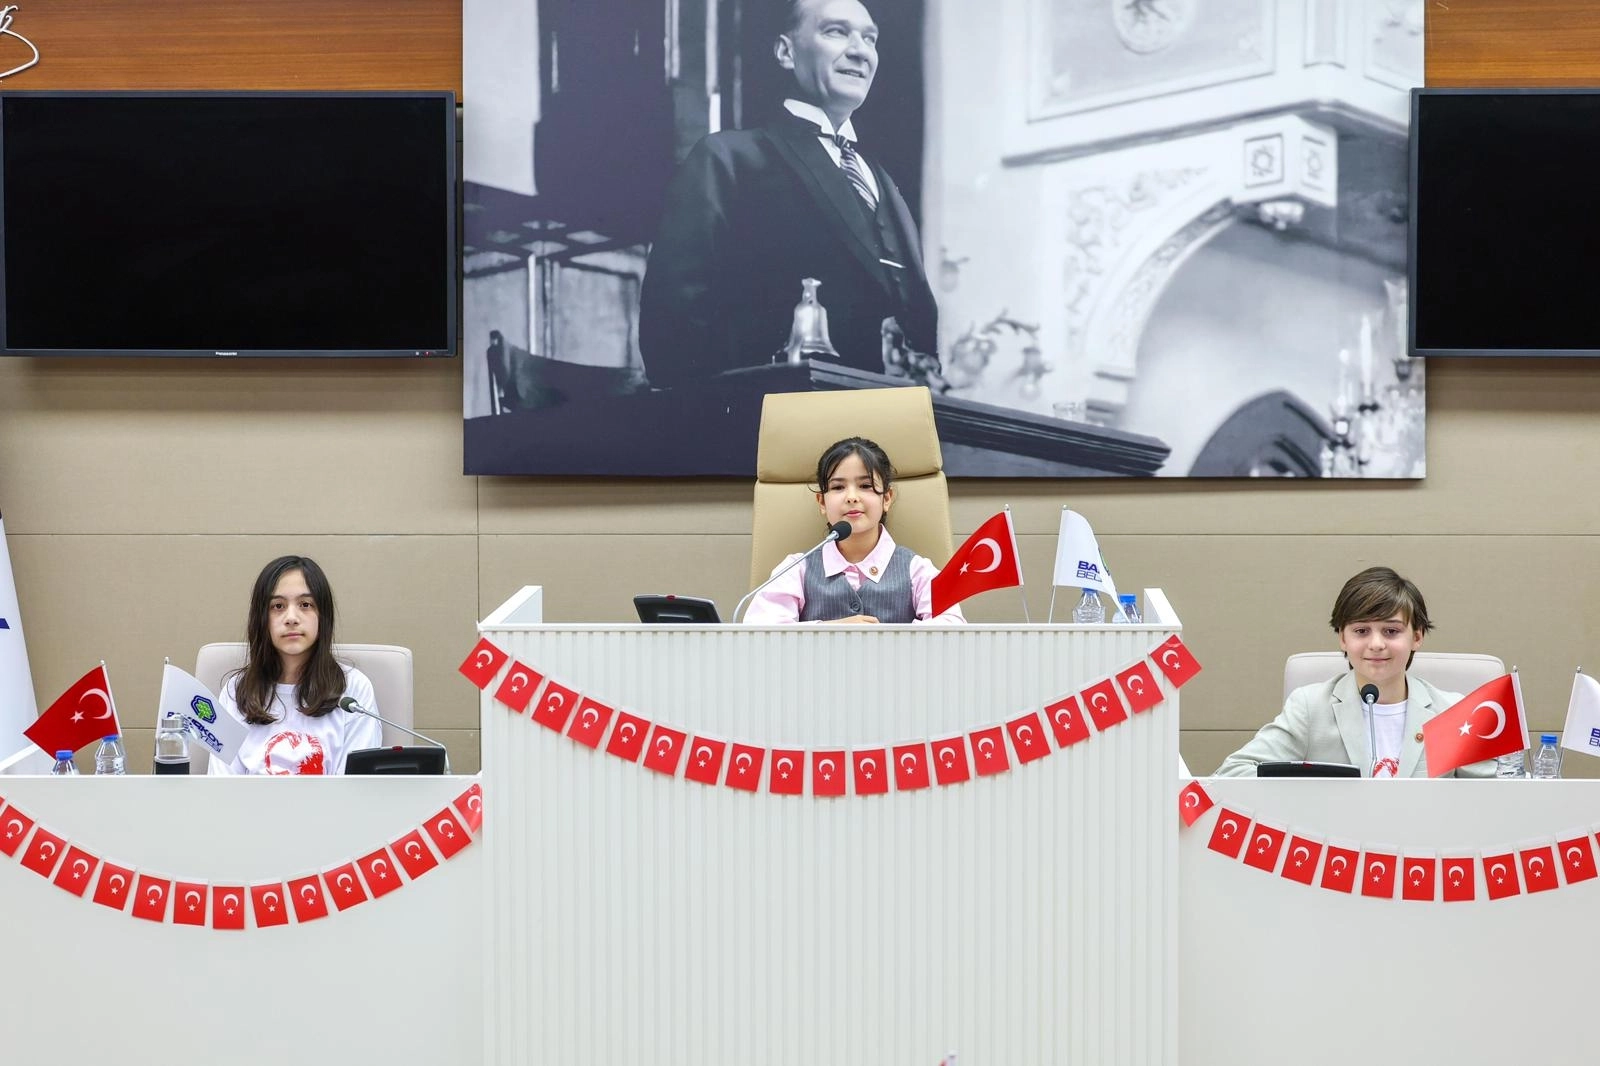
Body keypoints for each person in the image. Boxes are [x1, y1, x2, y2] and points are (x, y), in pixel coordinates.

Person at [637, 0, 938, 388]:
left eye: (870, 38)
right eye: (836, 31)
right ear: (785, 52)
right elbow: (673, 328)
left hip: (884, 417)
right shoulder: (730, 158)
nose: (860, 51)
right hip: (769, 414)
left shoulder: (882, 181)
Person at [1215, 566, 1493, 778]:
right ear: (1343, 639)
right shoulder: (1310, 708)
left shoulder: (1454, 713)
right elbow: (1232, 773)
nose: (1376, 644)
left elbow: (1494, 796)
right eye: (1361, 631)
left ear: (1417, 637)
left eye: (1391, 631)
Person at [743, 436, 963, 624]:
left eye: (865, 486)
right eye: (838, 487)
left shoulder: (918, 570)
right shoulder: (796, 569)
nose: (851, 497)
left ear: (887, 498)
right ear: (822, 502)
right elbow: (760, 632)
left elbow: (952, 629)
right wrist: (830, 631)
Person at [207, 555, 382, 775]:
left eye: (305, 605)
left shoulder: (353, 691)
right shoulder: (236, 691)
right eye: (278, 606)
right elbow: (222, 785)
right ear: (261, 619)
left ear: (323, 616)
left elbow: (356, 788)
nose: (291, 618)